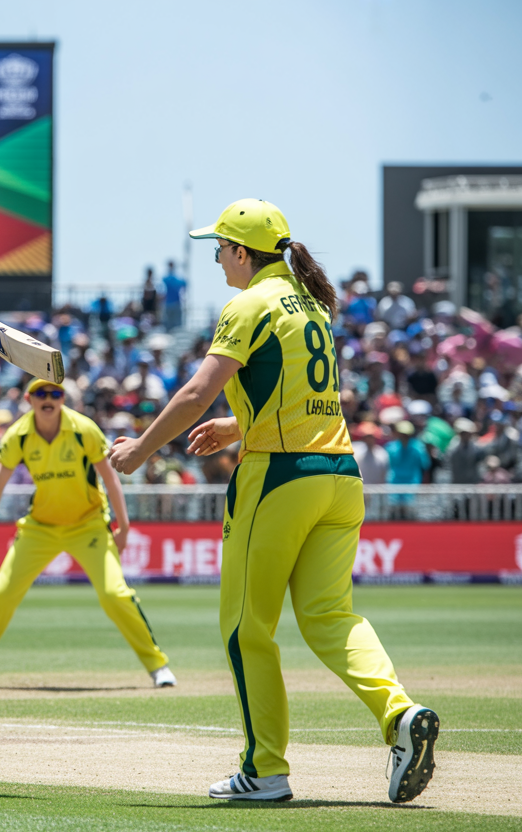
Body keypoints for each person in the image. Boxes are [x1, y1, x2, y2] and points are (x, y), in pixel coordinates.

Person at [107, 199, 438, 804]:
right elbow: (304, 394)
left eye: (219, 249)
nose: (216, 259)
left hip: (279, 480)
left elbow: (196, 390)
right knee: (331, 617)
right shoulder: (310, 301)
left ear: (241, 251)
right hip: (339, 474)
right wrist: (238, 428)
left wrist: (142, 451)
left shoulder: (249, 302)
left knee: (244, 628)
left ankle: (264, 771)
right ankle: (400, 716)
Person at [0, 378, 174, 690]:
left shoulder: (84, 429)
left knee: (115, 594)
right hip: (40, 527)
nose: (48, 398)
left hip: (88, 524)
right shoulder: (18, 435)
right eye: (40, 393)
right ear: (28, 399)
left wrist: (124, 526)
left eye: (55, 392)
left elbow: (110, 480)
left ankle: (158, 667)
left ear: (64, 398)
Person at [161, 260, 187, 330]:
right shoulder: (167, 279)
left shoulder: (166, 279)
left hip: (175, 303)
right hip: (169, 304)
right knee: (170, 324)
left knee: (175, 325)